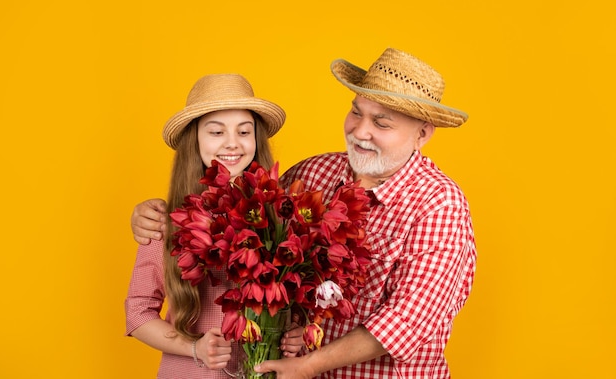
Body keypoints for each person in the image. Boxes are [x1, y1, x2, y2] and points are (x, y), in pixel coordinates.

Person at [131, 48, 477, 379]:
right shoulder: (314, 174)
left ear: (423, 133)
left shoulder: (439, 204)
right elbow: (244, 206)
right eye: (356, 112)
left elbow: (407, 321)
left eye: (382, 123)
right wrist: (151, 213)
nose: (360, 131)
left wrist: (308, 363)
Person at [124, 73, 304, 379]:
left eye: (244, 131)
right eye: (216, 132)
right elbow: (138, 313)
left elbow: (295, 301)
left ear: (256, 140)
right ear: (194, 140)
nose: (232, 143)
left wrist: (295, 333)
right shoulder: (167, 223)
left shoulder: (281, 218)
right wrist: (193, 347)